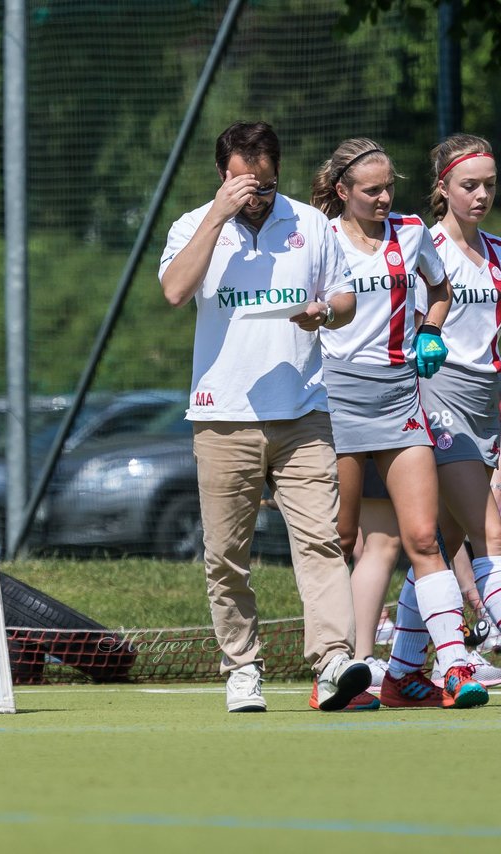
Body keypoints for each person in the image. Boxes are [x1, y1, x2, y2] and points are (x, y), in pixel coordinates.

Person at [158, 121, 370, 713]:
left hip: (305, 411)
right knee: (226, 554)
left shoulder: (312, 224)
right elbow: (175, 292)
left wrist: (325, 312)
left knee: (323, 542)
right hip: (221, 415)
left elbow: (346, 298)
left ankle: (332, 662)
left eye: (266, 184)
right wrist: (216, 218)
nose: (256, 195)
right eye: (242, 184)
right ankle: (243, 668)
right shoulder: (191, 226)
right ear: (222, 177)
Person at [309, 138, 485, 709]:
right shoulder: (319, 237)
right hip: (336, 398)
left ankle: (453, 667)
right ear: (343, 193)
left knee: (423, 537)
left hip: (400, 398)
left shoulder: (410, 233)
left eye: (389, 187)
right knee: (339, 540)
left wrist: (431, 330)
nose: (385, 198)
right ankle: (334, 668)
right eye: (372, 190)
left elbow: (441, 287)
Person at [385, 134, 501, 693]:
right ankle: (461, 655)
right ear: (443, 189)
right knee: (491, 531)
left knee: (442, 536)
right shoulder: (424, 250)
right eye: (469, 185)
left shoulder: (499, 253)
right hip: (440, 402)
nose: (481, 195)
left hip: (487, 409)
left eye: (489, 185)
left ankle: (404, 670)